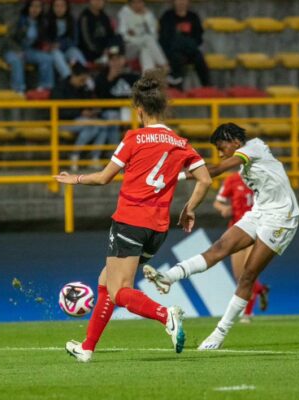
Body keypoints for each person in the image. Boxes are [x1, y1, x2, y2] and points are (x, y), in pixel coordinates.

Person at [54, 70, 212, 362]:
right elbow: (205, 180)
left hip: (129, 221)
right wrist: (189, 208)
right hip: (158, 228)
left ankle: (166, 315)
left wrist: (74, 179)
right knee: (106, 280)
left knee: (119, 290)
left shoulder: (134, 138)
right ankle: (87, 348)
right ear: (162, 108)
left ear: (139, 110)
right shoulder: (180, 143)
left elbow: (103, 178)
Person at [143, 123, 299, 350]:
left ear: (235, 141)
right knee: (218, 248)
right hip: (260, 212)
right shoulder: (247, 161)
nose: (220, 152)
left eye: (221, 147)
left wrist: (171, 178)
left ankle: (219, 334)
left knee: (248, 275)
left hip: (281, 218)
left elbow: (215, 170)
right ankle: (168, 277)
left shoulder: (253, 148)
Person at [213, 172, 270, 323]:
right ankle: (261, 289)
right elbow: (218, 202)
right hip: (237, 232)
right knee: (239, 277)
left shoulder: (262, 177)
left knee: (248, 272)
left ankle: (248, 313)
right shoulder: (232, 179)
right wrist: (224, 208)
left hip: (257, 231)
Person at [51, 63, 106, 170]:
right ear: (73, 76)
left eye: (85, 80)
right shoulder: (60, 88)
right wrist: (80, 113)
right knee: (92, 125)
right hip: (62, 122)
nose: (83, 83)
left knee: (102, 127)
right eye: (81, 80)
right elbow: (60, 112)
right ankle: (75, 155)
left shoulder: (84, 88)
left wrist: (92, 111)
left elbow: (89, 104)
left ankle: (93, 158)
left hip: (83, 121)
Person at [3, 0, 55, 93]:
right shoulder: (19, 19)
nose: (35, 9)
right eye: (33, 6)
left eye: (38, 7)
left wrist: (46, 46)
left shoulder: (42, 22)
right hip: (11, 49)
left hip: (29, 51)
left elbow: (42, 40)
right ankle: (19, 89)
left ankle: (45, 87)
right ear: (28, 7)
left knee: (47, 58)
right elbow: (8, 38)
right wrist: (17, 50)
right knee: (16, 60)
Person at [95, 44, 140, 145]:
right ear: (109, 62)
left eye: (118, 59)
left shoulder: (132, 77)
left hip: (130, 111)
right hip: (111, 112)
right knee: (112, 119)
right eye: (113, 60)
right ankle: (114, 155)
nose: (116, 62)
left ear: (123, 60)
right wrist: (110, 79)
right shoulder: (102, 77)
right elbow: (100, 98)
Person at [159, 0, 210, 88]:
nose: (181, 2)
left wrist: (186, 44)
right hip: (173, 51)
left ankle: (207, 86)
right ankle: (177, 89)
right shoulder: (167, 16)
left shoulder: (193, 17)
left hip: (190, 50)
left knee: (199, 58)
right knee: (176, 58)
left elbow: (198, 38)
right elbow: (164, 38)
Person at [118, 0, 169, 74]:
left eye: (139, 2)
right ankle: (164, 64)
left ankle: (148, 80)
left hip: (144, 44)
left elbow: (154, 35)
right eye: (134, 2)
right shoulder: (124, 13)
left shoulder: (148, 14)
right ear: (130, 4)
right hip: (128, 48)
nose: (137, 5)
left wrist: (146, 17)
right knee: (147, 39)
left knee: (145, 50)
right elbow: (121, 35)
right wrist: (134, 37)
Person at [46, 0, 88, 78]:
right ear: (52, 7)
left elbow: (75, 41)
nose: (59, 9)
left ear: (66, 7)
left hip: (68, 48)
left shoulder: (71, 20)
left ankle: (86, 78)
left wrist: (61, 44)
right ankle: (68, 79)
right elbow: (44, 38)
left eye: (62, 6)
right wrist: (51, 45)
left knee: (76, 53)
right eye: (56, 6)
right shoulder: (47, 20)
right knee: (56, 55)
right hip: (53, 50)